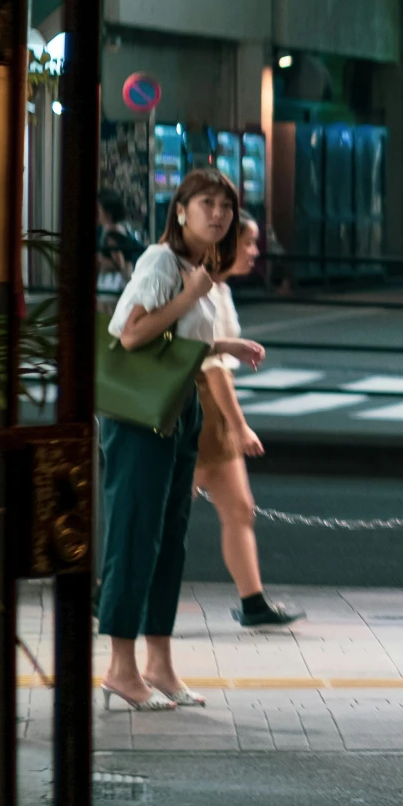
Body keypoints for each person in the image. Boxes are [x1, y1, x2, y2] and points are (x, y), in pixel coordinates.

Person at [98, 167, 251, 710]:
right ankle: (121, 667)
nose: (218, 213)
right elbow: (132, 333)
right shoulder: (162, 261)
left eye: (226, 206)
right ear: (180, 210)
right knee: (135, 535)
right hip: (140, 417)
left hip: (180, 411)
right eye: (206, 202)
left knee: (169, 539)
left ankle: (159, 664)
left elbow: (179, 344)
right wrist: (190, 296)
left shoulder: (198, 267)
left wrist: (227, 346)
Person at [193, 214, 305, 628]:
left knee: (239, 509)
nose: (256, 252)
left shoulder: (217, 288)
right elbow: (213, 366)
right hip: (201, 409)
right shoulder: (203, 288)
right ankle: (110, 591)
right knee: (163, 516)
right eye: (249, 243)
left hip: (212, 412)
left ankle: (253, 601)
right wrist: (238, 426)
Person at [97, 189, 144, 295]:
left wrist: (100, 260)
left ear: (108, 214)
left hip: (113, 286)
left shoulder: (111, 235)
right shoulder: (122, 229)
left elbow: (119, 264)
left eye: (99, 210)